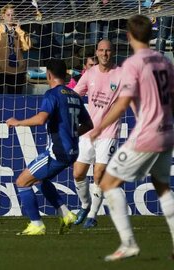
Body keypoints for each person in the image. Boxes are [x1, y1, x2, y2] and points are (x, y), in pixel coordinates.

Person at [90, 14, 174, 262]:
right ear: (151, 35)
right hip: (168, 133)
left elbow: (122, 103)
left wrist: (98, 127)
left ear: (128, 36)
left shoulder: (133, 64)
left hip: (147, 135)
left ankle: (128, 244)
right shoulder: (164, 60)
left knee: (107, 183)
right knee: (163, 188)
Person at [6, 59, 93, 235]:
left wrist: (17, 122)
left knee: (22, 182)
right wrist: (71, 132)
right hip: (72, 151)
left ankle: (36, 224)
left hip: (57, 151)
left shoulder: (52, 94)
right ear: (66, 75)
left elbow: (40, 119)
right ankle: (66, 214)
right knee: (39, 179)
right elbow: (89, 124)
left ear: (49, 75)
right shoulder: (74, 95)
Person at [71, 40, 121, 229]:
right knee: (78, 173)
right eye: (101, 50)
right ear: (97, 53)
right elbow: (75, 95)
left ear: (112, 52)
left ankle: (92, 216)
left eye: (108, 50)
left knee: (99, 173)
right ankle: (85, 205)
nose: (104, 54)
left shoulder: (121, 74)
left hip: (109, 132)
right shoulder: (89, 74)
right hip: (88, 131)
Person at [0, 4, 31, 94]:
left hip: (17, 71)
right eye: (8, 15)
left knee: (15, 101)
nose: (11, 17)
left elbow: (26, 47)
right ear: (3, 16)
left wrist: (20, 31)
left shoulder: (19, 31)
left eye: (13, 15)